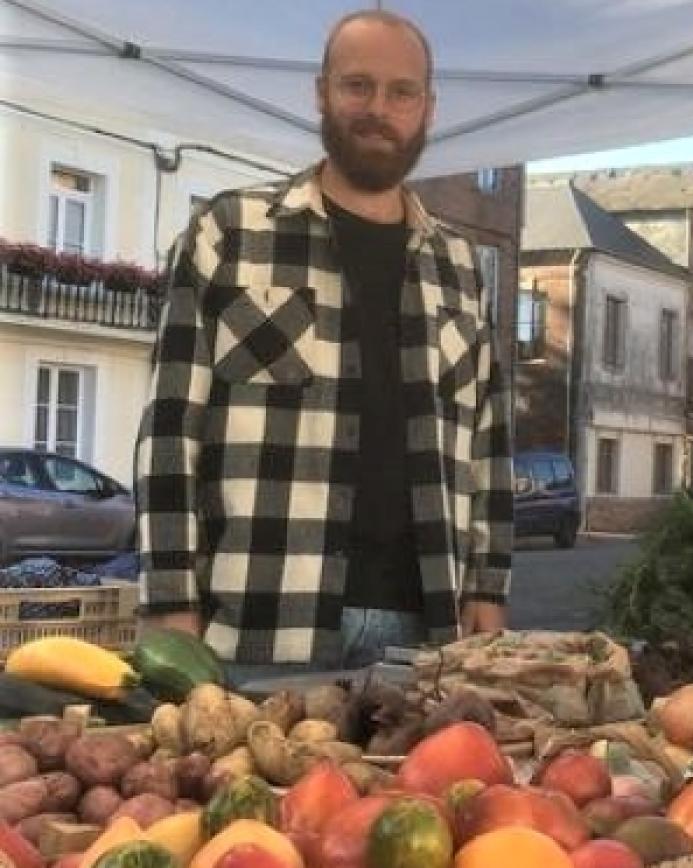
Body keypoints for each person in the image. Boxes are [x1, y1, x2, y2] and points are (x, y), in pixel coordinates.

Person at [135, 9, 512, 681]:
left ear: (428, 107)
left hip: (427, 637)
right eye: (357, 85)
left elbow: (488, 446)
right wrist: (170, 602)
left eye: (402, 92)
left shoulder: (458, 263)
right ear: (321, 92)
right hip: (256, 621)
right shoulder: (229, 230)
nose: (378, 109)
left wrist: (488, 590)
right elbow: (170, 432)